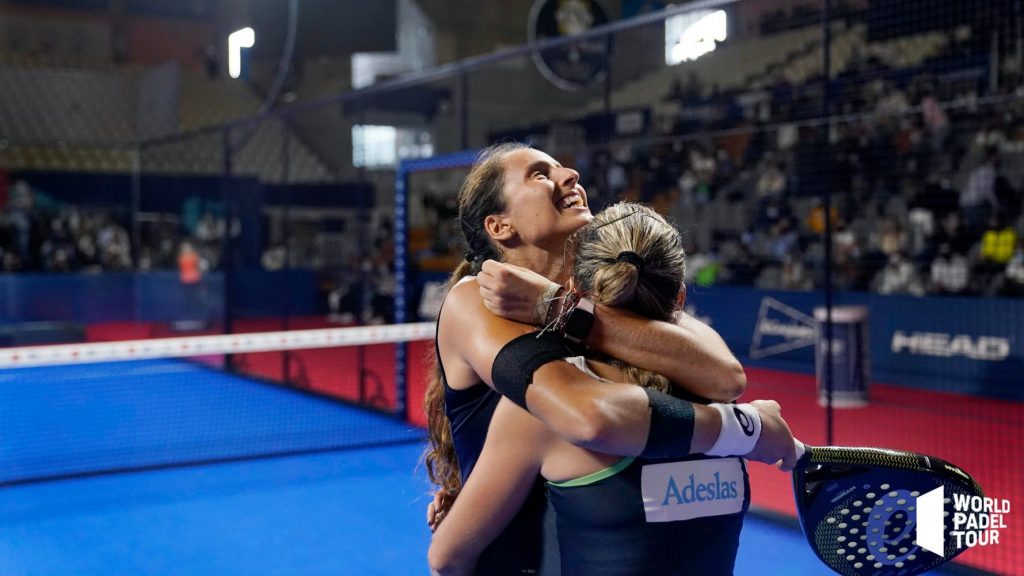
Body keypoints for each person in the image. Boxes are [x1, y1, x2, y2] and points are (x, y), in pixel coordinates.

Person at [423, 143, 798, 575]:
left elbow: (725, 376)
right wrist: (745, 430)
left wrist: (556, 305)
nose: (570, 175)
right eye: (540, 174)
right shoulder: (473, 299)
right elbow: (583, 411)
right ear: (500, 226)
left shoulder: (591, 300)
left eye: (563, 166)